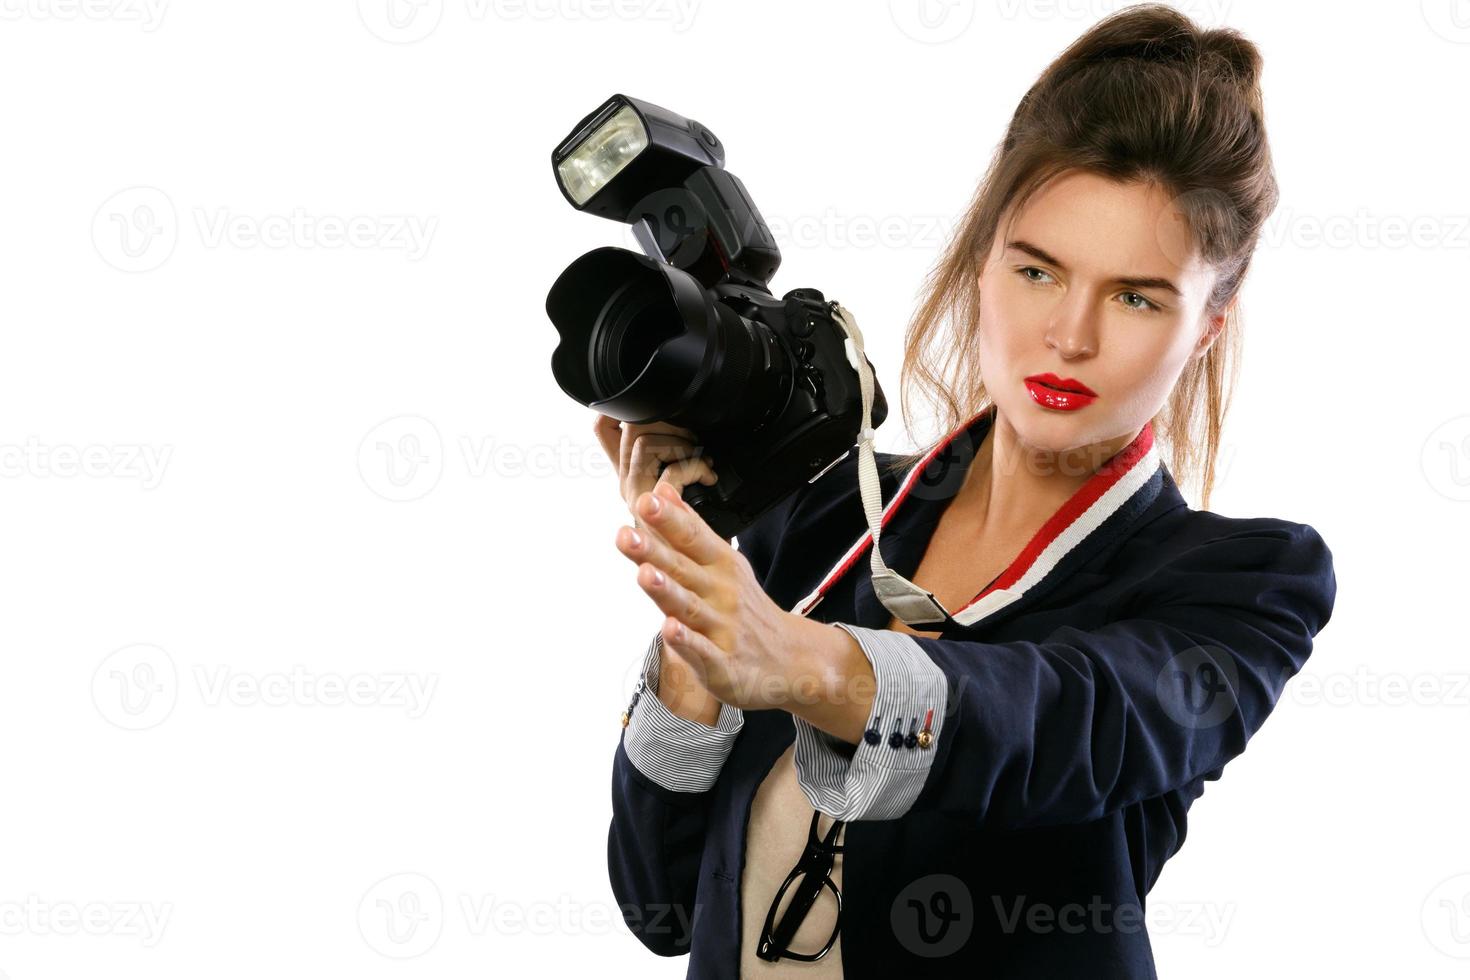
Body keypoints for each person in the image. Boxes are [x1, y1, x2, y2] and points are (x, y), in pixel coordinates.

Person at [593, 5, 1336, 976]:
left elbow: (1066, 720)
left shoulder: (1246, 582)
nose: (1070, 334)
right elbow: (663, 907)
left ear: (1208, 326)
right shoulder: (825, 521)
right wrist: (696, 643)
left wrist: (809, 664)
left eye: (1136, 295)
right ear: (985, 258)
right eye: (1037, 269)